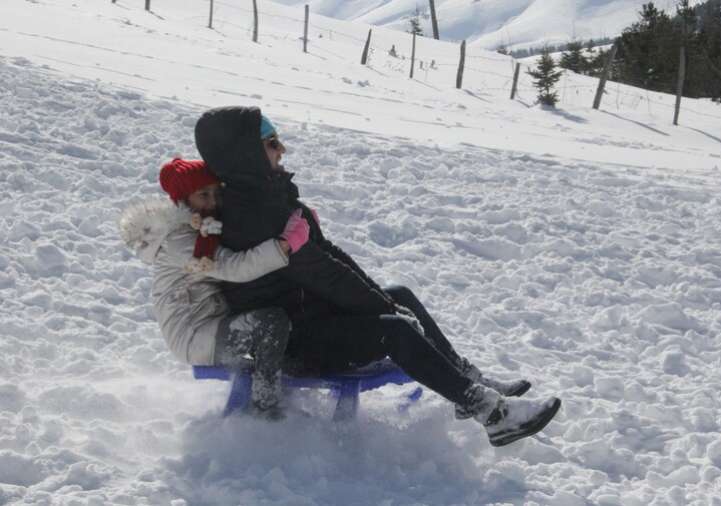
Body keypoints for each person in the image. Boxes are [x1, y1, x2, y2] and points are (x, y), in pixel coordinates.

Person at [194, 106, 561, 447]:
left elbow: (330, 256)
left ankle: (466, 382)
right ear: (245, 152)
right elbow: (322, 274)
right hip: (292, 343)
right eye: (272, 143)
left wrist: (382, 300)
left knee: (398, 295)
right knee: (393, 327)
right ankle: (491, 413)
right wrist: (383, 309)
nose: (282, 150)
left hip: (310, 315)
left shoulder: (271, 198)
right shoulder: (252, 215)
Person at [119, 158, 310, 417]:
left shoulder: (204, 230)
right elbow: (233, 267)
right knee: (269, 322)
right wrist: (284, 244)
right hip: (194, 335)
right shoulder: (182, 242)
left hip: (211, 321)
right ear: (183, 200)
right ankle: (265, 407)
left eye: (216, 194)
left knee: (277, 316)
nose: (212, 202)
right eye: (203, 195)